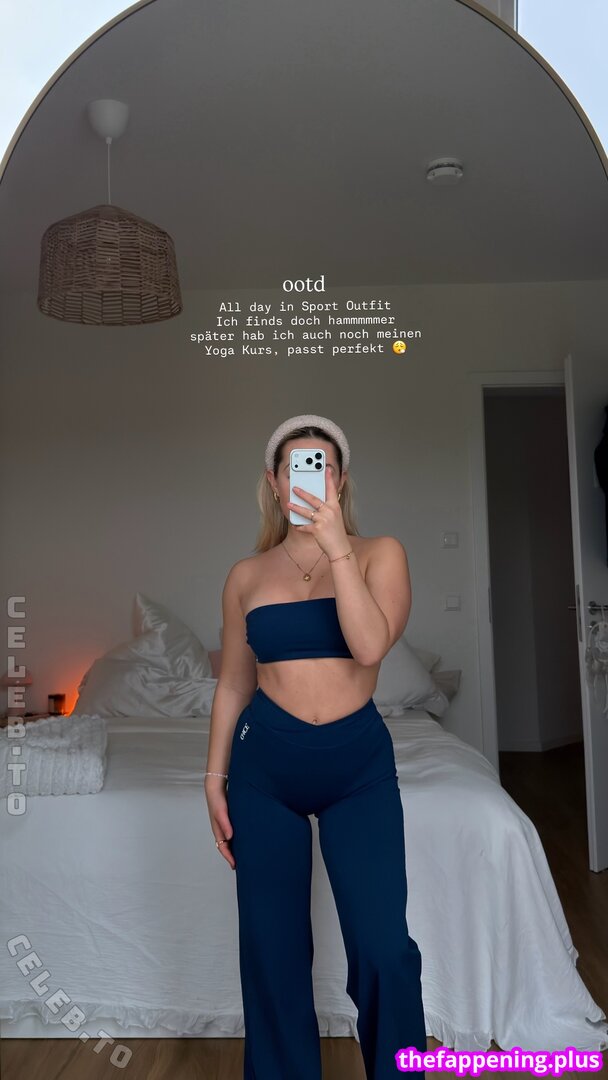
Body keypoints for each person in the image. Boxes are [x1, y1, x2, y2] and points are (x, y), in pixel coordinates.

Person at [204, 413, 427, 1080]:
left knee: (384, 948)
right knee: (271, 952)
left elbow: (369, 646)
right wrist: (213, 777)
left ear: (340, 480)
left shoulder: (380, 553)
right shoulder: (245, 575)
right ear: (275, 484)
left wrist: (336, 549)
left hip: (357, 767)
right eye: (296, 466)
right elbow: (234, 683)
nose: (310, 477)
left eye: (322, 465)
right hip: (264, 768)